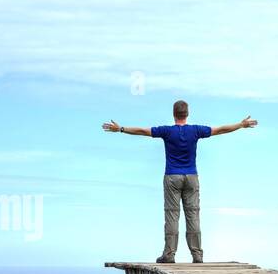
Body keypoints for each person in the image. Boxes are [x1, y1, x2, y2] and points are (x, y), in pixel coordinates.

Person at [103, 100, 258, 263]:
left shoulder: (167, 131)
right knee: (193, 215)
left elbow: (142, 130)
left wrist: (120, 129)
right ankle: (197, 255)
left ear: (173, 114)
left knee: (172, 215)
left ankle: (169, 255)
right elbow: (221, 129)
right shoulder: (196, 130)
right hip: (191, 177)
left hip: (172, 177)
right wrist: (241, 125)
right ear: (187, 113)